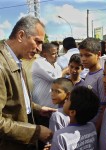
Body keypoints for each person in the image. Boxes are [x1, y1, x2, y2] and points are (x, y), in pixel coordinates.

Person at [0, 15, 56, 150]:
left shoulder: (17, 61)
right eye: (37, 41)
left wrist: (37, 108)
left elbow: (15, 100)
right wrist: (35, 132)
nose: (40, 49)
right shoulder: (2, 66)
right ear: (20, 36)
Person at [79, 37, 106, 106]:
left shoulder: (102, 76)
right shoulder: (88, 74)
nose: (83, 59)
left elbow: (104, 106)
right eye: (81, 55)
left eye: (87, 55)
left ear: (98, 55)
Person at [32, 43, 62, 108]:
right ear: (45, 54)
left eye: (57, 53)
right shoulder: (39, 63)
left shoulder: (56, 65)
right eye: (53, 54)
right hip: (41, 107)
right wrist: (65, 71)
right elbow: (54, 78)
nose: (56, 55)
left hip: (53, 106)